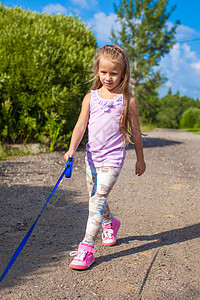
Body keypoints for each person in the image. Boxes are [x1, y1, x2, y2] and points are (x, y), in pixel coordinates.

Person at [64, 44, 146, 270]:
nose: (108, 78)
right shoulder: (90, 97)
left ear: (123, 73)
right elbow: (81, 126)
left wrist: (140, 159)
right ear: (97, 71)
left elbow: (135, 133)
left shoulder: (128, 100)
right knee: (96, 197)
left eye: (113, 73)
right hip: (92, 157)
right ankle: (110, 223)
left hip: (113, 159)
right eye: (103, 72)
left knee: (96, 200)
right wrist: (72, 149)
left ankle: (86, 249)